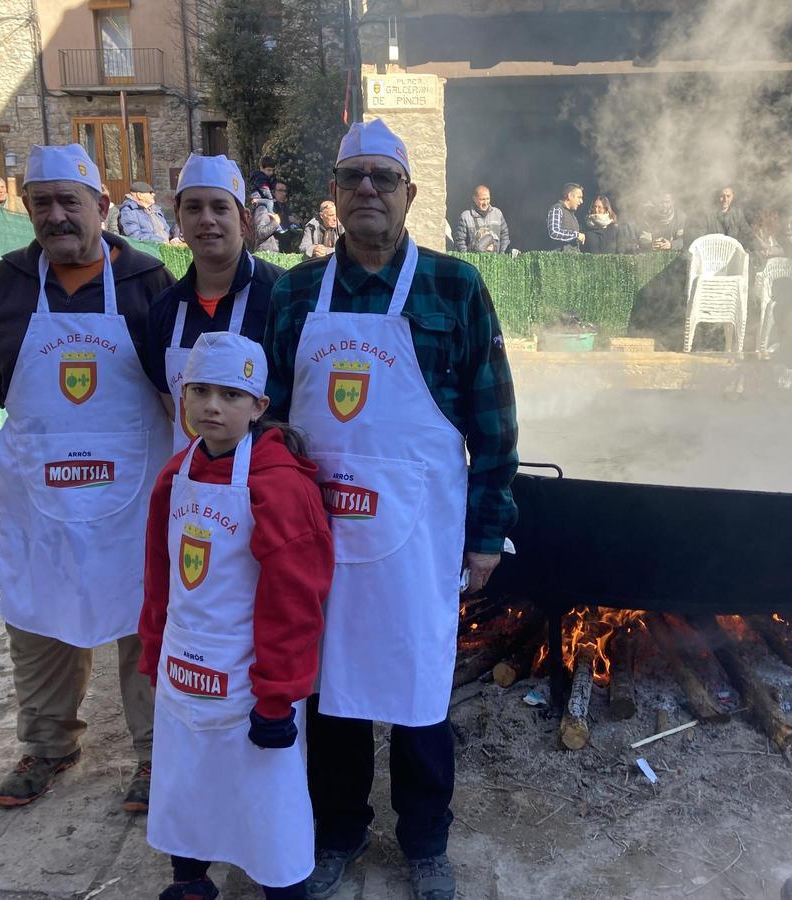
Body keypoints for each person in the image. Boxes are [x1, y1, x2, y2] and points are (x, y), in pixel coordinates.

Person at [264, 117, 518, 900]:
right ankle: (339, 831)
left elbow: (495, 423)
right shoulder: (296, 291)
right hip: (318, 534)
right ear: (335, 194)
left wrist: (486, 532)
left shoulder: (455, 286)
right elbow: (271, 416)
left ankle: (426, 840)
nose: (367, 189)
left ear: (410, 193)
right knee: (328, 687)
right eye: (353, 177)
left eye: (383, 177)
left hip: (419, 535)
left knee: (418, 689)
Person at [0, 144, 174, 812]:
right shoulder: (6, 282)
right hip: (38, 492)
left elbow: (173, 390)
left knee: (146, 616)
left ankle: (157, 754)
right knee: (38, 615)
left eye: (69, 201)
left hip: (132, 491)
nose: (55, 215)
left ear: (102, 206)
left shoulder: (147, 280)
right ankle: (48, 744)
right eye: (40, 202)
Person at [140, 331, 333, 900]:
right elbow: (158, 575)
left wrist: (278, 695)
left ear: (258, 405)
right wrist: (154, 653)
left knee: (265, 796)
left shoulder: (281, 487)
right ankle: (190, 880)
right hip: (182, 668)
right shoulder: (175, 475)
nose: (212, 406)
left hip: (252, 680)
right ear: (182, 395)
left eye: (230, 394)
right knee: (185, 782)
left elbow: (295, 600)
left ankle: (284, 890)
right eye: (199, 390)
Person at [143, 153, 286, 453]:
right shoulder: (165, 308)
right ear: (179, 217)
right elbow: (171, 404)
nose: (207, 219)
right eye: (194, 207)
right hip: (190, 477)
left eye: (220, 207)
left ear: (244, 220)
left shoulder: (281, 295)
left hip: (265, 475)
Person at [454, 185, 510, 253]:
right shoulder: (466, 217)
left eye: (487, 199)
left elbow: (504, 236)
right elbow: (460, 241)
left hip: (495, 258)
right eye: (482, 199)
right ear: (474, 199)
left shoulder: (497, 214)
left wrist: (502, 254)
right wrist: (468, 257)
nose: (485, 203)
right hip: (474, 258)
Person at [547, 182, 585, 251]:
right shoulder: (557, 209)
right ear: (569, 196)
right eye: (579, 197)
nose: (581, 201)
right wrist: (576, 235)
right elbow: (554, 232)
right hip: (559, 256)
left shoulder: (573, 216)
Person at [251, 185, 282, 253]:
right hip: (265, 251)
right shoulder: (262, 209)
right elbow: (261, 233)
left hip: (270, 252)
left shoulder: (270, 207)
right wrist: (275, 222)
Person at [272, 181, 301, 253]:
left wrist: (296, 222)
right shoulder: (270, 205)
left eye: (285, 191)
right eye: (280, 190)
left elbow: (292, 220)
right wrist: (288, 219)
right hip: (273, 241)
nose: (283, 194)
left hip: (286, 239)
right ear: (274, 192)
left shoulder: (285, 206)